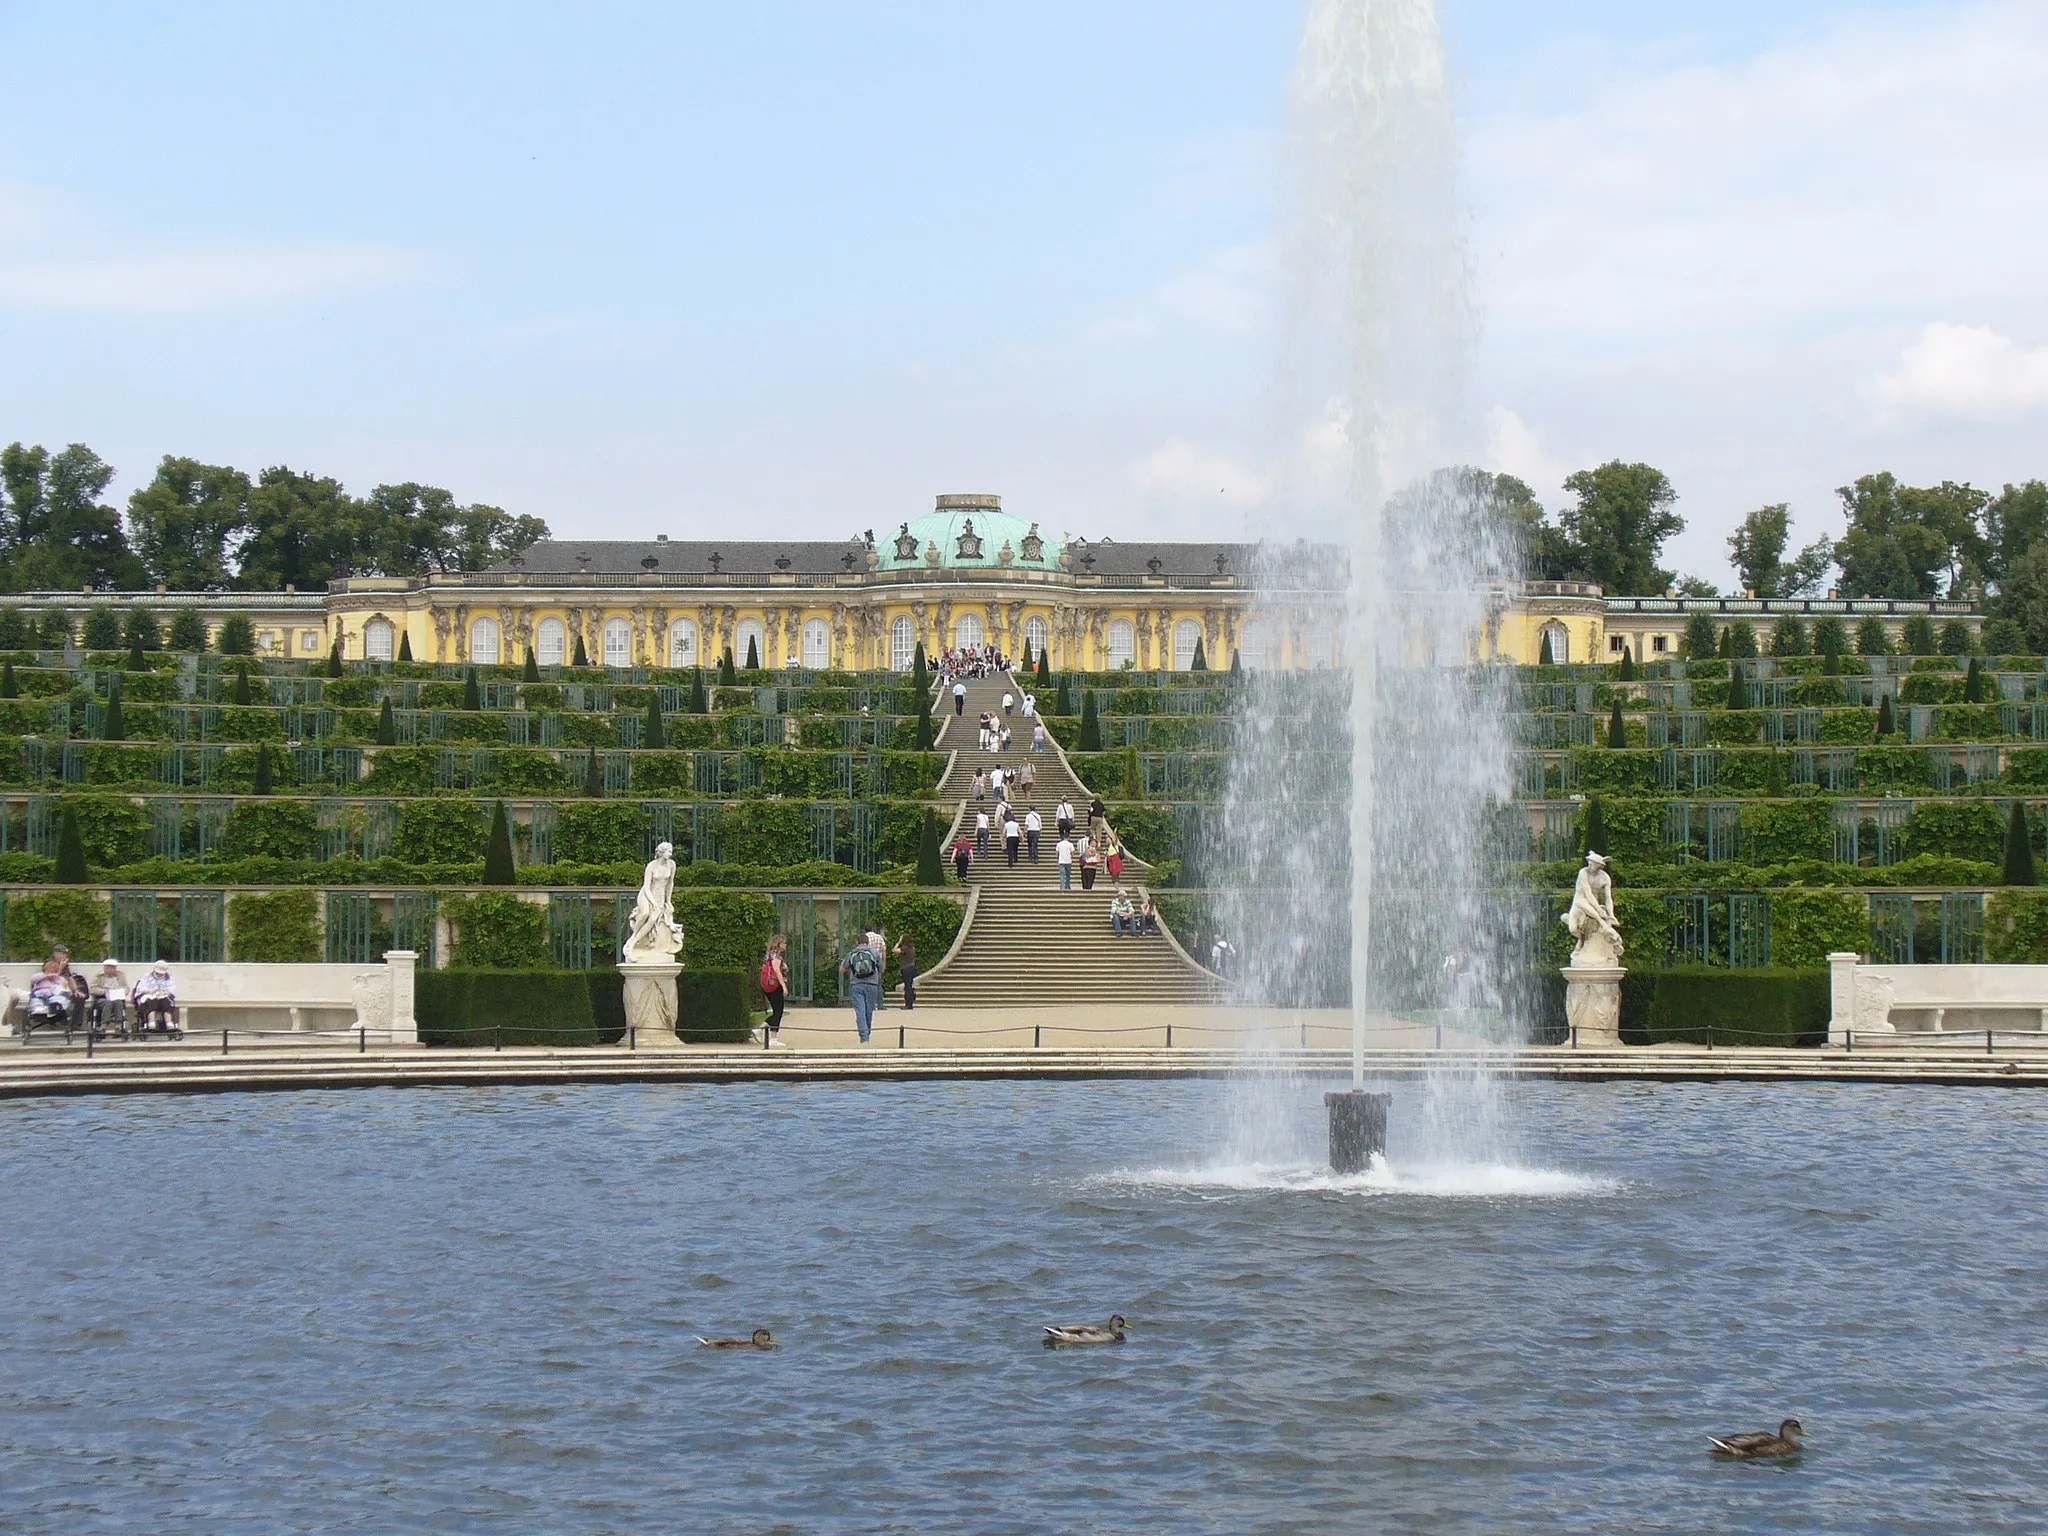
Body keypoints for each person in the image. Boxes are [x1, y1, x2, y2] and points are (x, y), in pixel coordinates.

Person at [838, 932, 885, 1044]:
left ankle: (864, 1038)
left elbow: (842, 969)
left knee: (860, 1011)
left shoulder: (852, 953)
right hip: (872, 985)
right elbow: (882, 968)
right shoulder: (874, 953)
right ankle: (867, 1033)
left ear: (857, 942)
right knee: (869, 1011)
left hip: (856, 985)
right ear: (868, 942)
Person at [132, 961, 180, 1033]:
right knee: (152, 1001)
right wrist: (149, 991)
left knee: (166, 1002)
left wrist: (165, 992)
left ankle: (169, 1023)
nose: (159, 975)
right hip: (149, 997)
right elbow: (140, 989)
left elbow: (172, 989)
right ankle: (151, 1022)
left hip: (163, 997)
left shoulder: (169, 978)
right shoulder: (147, 977)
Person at [759, 935, 790, 1046]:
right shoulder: (776, 956)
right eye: (784, 943)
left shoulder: (769, 955)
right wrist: (783, 986)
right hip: (775, 985)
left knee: (775, 1010)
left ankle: (766, 1031)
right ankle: (770, 1035)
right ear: (779, 944)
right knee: (778, 1010)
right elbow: (777, 971)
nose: (785, 945)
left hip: (768, 985)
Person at [90, 958, 130, 1038]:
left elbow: (127, 988)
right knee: (108, 1002)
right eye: (110, 968)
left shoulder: (120, 975)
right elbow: (92, 989)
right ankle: (103, 1026)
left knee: (118, 1002)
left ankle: (118, 1026)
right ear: (105, 968)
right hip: (102, 997)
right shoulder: (99, 976)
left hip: (116, 996)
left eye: (114, 967)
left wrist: (122, 992)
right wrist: (104, 991)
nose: (113, 970)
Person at [895, 931, 918, 1011]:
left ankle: (908, 1004)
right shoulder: (912, 948)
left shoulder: (904, 948)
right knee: (910, 985)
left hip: (905, 968)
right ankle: (910, 1003)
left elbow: (894, 950)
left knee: (907, 986)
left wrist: (898, 942)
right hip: (912, 967)